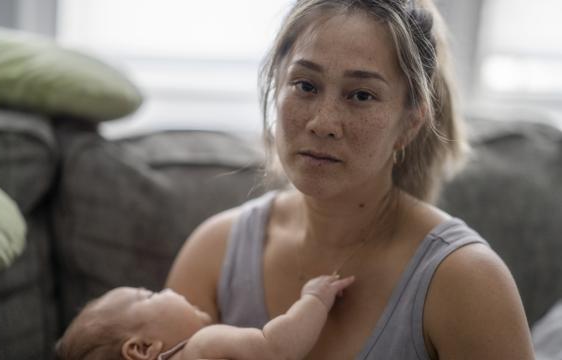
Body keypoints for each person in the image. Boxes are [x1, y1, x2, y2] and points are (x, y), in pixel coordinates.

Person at [166, 0, 535, 358]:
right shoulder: (213, 253)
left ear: (410, 123)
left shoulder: (468, 282)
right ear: (276, 86)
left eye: (361, 95)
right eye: (305, 86)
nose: (323, 123)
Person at [55, 274, 354, 360]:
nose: (167, 291)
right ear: (143, 348)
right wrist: (314, 299)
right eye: (150, 295)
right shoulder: (201, 345)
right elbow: (277, 346)